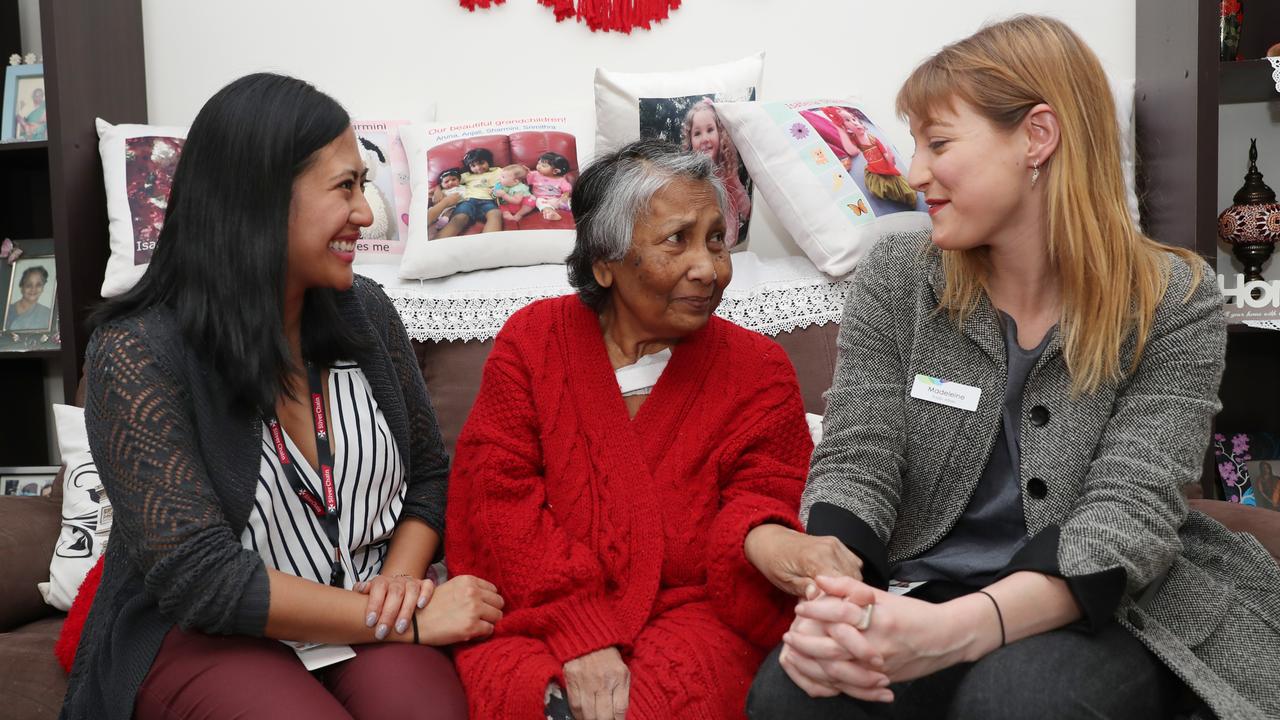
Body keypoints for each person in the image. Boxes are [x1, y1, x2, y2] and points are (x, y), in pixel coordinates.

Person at [746, 15, 1280, 720]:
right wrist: (838, 593)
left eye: (937, 143)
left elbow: (1129, 509)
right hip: (926, 586)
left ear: (1037, 137)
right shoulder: (898, 277)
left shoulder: (1172, 299)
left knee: (1018, 699)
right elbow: (858, 454)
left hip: (1105, 604)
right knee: (794, 694)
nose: (913, 174)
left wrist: (952, 633)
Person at [60, 73, 504, 720]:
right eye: (346, 186)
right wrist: (396, 624)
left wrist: (400, 588)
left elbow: (429, 479)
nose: (365, 212)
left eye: (365, 185)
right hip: (210, 635)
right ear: (261, 200)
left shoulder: (366, 315)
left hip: (367, 600)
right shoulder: (136, 356)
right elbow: (201, 579)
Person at [444, 139, 815, 720]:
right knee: (531, 701)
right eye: (678, 239)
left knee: (661, 703)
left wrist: (772, 537)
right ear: (604, 262)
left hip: (693, 613)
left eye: (716, 239)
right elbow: (497, 499)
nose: (709, 268)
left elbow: (763, 498)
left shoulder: (758, 369)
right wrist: (579, 627)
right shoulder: (534, 341)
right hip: (537, 611)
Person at [681, 98, 751, 248]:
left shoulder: (728, 174)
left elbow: (747, 209)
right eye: (697, 133)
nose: (705, 138)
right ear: (690, 140)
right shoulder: (688, 176)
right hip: (699, 246)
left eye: (710, 130)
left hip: (726, 245)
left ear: (720, 134)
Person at [819, 107, 916, 207]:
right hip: (874, 169)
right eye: (847, 120)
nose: (854, 123)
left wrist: (890, 160)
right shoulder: (855, 139)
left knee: (903, 190)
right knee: (878, 188)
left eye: (854, 119)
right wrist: (840, 130)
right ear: (845, 127)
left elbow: (885, 153)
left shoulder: (873, 139)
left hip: (885, 166)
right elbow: (852, 151)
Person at [436, 147, 503, 237]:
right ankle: (439, 242)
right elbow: (446, 182)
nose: (478, 168)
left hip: (488, 201)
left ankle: (488, 244)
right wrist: (438, 189)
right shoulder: (467, 175)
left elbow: (512, 173)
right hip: (468, 200)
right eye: (473, 166)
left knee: (496, 214)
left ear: (488, 161)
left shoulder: (497, 171)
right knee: (460, 217)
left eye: (481, 163)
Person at [520, 151, 574, 222]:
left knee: (568, 201)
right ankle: (550, 213)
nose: (539, 166)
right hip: (542, 199)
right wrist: (525, 172)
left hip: (557, 199)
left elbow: (567, 189)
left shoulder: (561, 180)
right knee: (539, 202)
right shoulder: (534, 175)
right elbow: (524, 178)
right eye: (538, 163)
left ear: (555, 171)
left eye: (543, 166)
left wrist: (565, 195)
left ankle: (573, 206)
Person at [5, 265, 54, 332]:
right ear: (22, 287)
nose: (33, 289)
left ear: (42, 288)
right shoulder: (6, 311)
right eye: (28, 285)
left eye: (38, 285)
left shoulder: (48, 315)